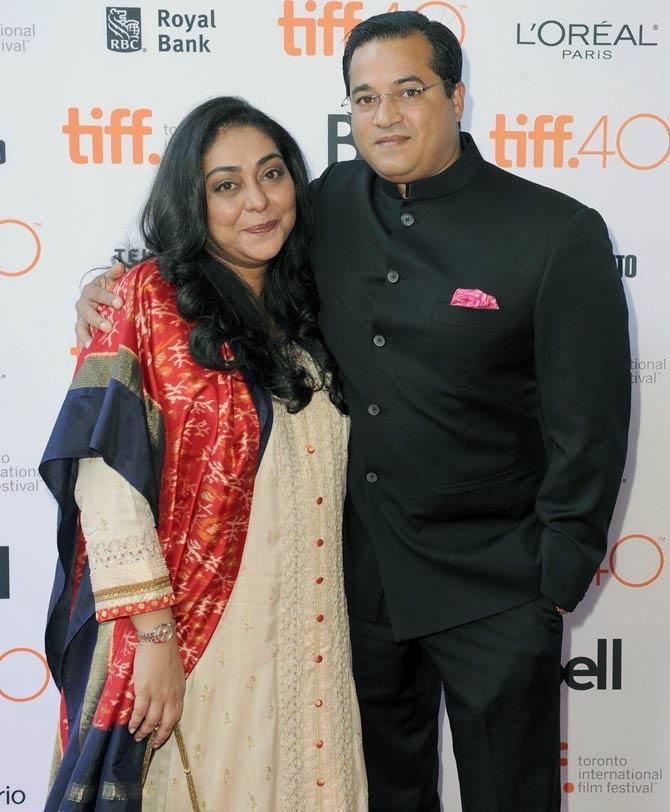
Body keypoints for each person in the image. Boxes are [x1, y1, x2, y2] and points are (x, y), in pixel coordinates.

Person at [74, 11, 631, 812]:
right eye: (364, 98)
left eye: (409, 91)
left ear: (457, 96)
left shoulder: (555, 232)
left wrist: (553, 580)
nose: (386, 116)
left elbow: (591, 431)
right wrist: (101, 291)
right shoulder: (326, 202)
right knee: (382, 797)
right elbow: (208, 250)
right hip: (355, 593)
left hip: (496, 586)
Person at [40, 96, 367, 811]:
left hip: (315, 627)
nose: (257, 201)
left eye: (273, 174)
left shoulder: (313, 299)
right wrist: (155, 640)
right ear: (193, 200)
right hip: (201, 637)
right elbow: (108, 487)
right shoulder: (149, 302)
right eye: (226, 185)